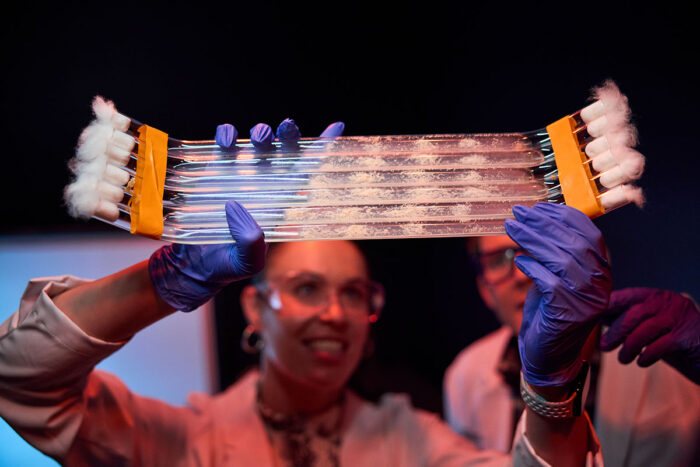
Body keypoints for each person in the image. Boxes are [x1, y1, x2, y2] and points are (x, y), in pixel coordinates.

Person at [0, 120, 608, 466]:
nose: (335, 314)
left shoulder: (412, 443)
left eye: (354, 293)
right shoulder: (184, 439)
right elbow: (19, 381)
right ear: (251, 305)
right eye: (307, 288)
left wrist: (553, 387)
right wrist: (161, 280)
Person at [444, 234, 700, 466]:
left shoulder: (669, 338)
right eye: (499, 260)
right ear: (484, 290)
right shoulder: (465, 376)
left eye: (540, 248)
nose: (522, 275)